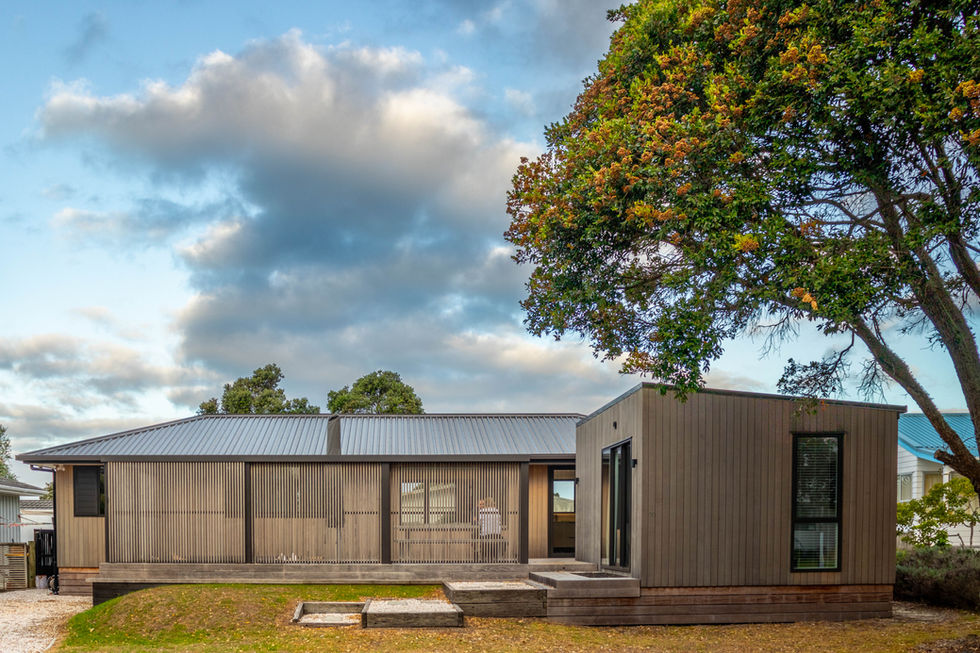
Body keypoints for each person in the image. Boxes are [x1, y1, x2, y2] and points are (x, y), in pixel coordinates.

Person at [477, 497, 503, 561]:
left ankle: (483, 559)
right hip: (496, 534)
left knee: (484, 544)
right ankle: (496, 558)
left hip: (485, 533)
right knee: (496, 544)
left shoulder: (482, 512)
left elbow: (479, 523)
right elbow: (499, 522)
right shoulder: (497, 511)